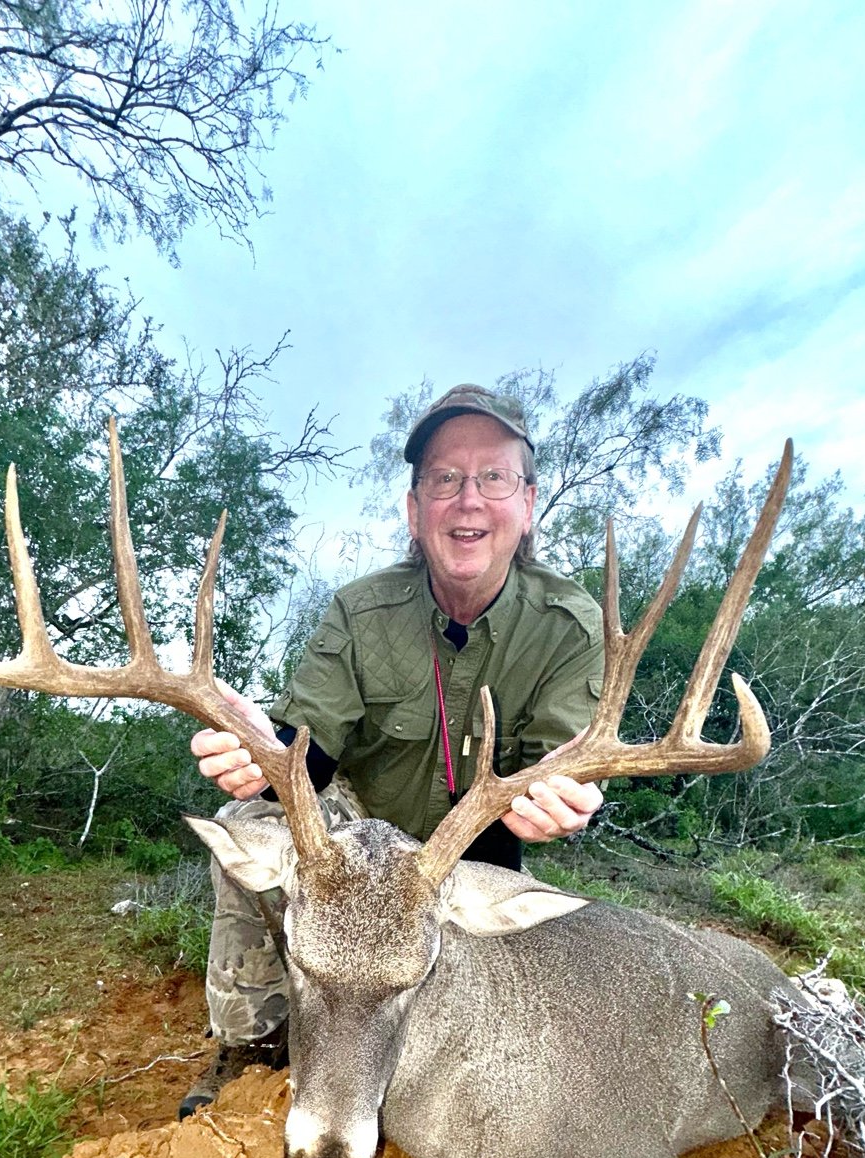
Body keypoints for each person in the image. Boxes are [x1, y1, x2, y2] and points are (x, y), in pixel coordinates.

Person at [179, 383, 605, 1117]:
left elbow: (561, 763)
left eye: (493, 477)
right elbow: (307, 749)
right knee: (246, 823)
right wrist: (260, 754)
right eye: (444, 479)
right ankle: (252, 1045)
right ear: (415, 511)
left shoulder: (570, 624)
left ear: (527, 504)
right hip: (359, 835)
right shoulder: (361, 609)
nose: (468, 499)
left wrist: (568, 800)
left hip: (467, 853)